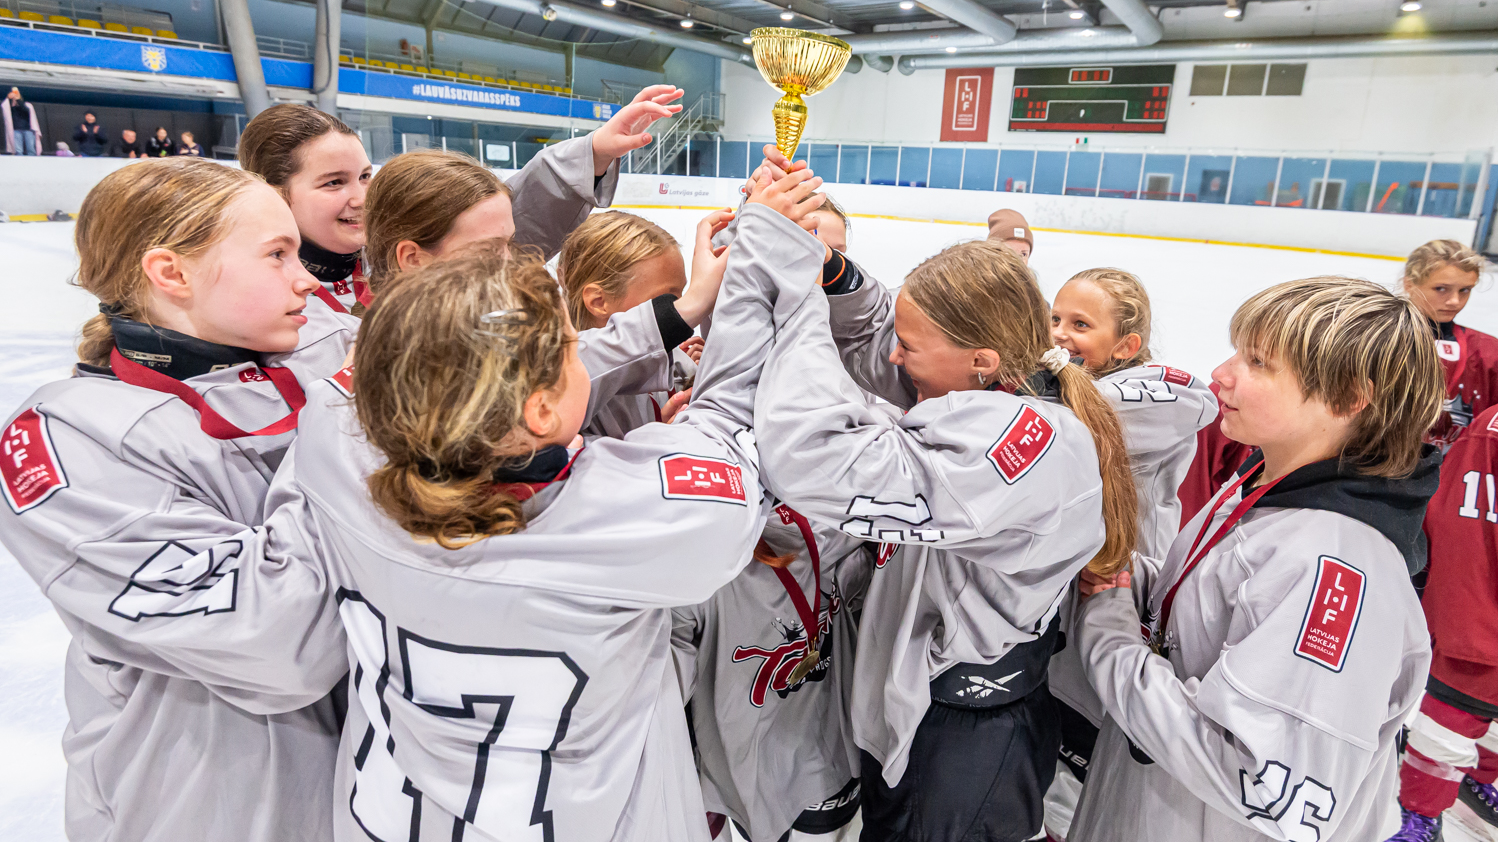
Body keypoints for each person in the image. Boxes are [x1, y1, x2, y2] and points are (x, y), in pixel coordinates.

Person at [261, 167, 826, 839]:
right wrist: (762, 252)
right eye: (571, 352)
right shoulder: (639, 516)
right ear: (539, 409)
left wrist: (688, 303)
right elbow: (732, 416)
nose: (583, 356)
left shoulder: (329, 435)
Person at [753, 192, 1137, 839]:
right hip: (943, 722)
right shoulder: (1002, 393)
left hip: (966, 745)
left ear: (980, 361)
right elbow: (881, 345)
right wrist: (832, 273)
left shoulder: (1016, 450)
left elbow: (814, 462)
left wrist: (794, 301)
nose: (895, 358)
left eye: (911, 345)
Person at [0, 157, 351, 841]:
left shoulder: (327, 343)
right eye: (277, 255)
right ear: (172, 273)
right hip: (204, 807)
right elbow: (284, 646)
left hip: (367, 793)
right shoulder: (70, 439)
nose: (307, 279)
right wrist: (347, 420)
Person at [1071, 277, 1443, 842]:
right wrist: (1124, 575)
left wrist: (1110, 635)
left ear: (1348, 398)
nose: (1220, 373)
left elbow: (1274, 791)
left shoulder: (1338, 570)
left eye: (1258, 362)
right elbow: (1201, 613)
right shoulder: (1269, 479)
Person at [1041, 267, 1217, 842]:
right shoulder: (1065, 383)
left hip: (1123, 594)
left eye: (1081, 324)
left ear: (1127, 346)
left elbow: (1079, 417)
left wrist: (1038, 379)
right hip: (1075, 593)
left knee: (1091, 744)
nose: (1061, 333)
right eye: (1056, 318)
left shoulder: (1159, 392)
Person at [1388, 402, 1498, 842]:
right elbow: (1464, 525)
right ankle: (1416, 812)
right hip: (1482, 606)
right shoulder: (1490, 433)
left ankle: (1479, 774)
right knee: (1454, 715)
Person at [557, 209, 717, 435]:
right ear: (599, 301)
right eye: (666, 300)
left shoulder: (676, 364)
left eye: (681, 295)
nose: (678, 308)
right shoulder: (559, 387)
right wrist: (650, 444)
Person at [1401, 238, 1493, 449]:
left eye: (1465, 290)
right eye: (1441, 289)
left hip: (1454, 471)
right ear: (1409, 284)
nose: (1454, 301)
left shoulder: (1488, 352)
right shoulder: (1374, 340)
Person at [4, 87, 41, 155]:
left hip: (28, 129)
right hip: (16, 129)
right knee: (18, 150)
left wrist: (18, 100)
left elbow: (25, 110)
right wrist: (9, 98)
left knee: (31, 149)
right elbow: (5, 107)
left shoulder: (27, 105)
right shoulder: (11, 108)